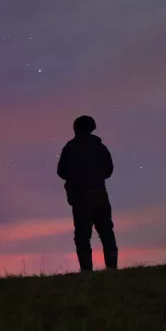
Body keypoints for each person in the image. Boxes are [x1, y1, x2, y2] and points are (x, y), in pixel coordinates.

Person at [57, 115, 118, 272]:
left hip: (81, 199)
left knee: (83, 236)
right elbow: (109, 170)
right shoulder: (100, 147)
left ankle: (86, 272)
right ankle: (112, 269)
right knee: (106, 232)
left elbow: (61, 171)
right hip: (100, 195)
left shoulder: (70, 148)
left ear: (76, 129)